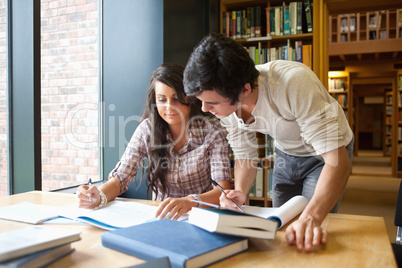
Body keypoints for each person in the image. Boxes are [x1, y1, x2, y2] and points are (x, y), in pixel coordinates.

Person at [183, 33, 354, 251]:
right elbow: (245, 153)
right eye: (201, 101)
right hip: (285, 151)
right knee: (280, 227)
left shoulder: (294, 83)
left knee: (310, 227)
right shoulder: (225, 98)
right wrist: (241, 191)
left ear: (245, 90)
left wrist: (312, 217)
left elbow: (336, 161)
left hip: (326, 156)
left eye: (211, 102)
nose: (205, 109)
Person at [76, 63, 232, 220]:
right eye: (162, 100)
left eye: (177, 98)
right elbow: (120, 179)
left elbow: (222, 190)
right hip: (162, 218)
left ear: (190, 97)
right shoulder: (147, 130)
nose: (170, 107)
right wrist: (98, 196)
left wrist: (190, 202)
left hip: (202, 217)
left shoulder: (212, 132)